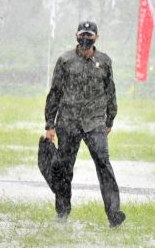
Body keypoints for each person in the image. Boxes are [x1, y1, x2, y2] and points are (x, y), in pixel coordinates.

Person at [45, 21, 125, 227]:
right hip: (68, 122)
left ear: (96, 38)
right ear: (76, 35)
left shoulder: (104, 61)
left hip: (95, 121)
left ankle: (114, 213)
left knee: (103, 164)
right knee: (64, 168)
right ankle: (62, 213)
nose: (86, 38)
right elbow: (55, 92)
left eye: (90, 35)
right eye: (83, 34)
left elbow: (110, 91)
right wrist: (49, 124)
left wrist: (110, 119)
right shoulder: (65, 61)